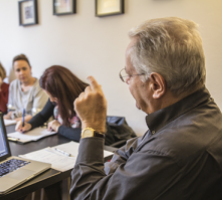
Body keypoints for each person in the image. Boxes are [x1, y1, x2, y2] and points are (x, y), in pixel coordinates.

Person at [70, 17, 222, 200]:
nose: (127, 81)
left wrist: (92, 128)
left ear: (156, 85)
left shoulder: (170, 150)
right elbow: (133, 147)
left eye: (129, 74)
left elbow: (85, 196)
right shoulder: (199, 115)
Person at [15, 65, 88, 141]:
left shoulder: (87, 97)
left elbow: (88, 134)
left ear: (64, 91)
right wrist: (29, 124)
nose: (51, 100)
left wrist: (58, 127)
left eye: (54, 96)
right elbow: (43, 116)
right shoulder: (55, 97)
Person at [3, 54, 48, 122]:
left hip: (35, 124)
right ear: (14, 72)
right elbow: (11, 111)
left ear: (30, 68)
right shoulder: (13, 85)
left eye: (24, 69)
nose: (21, 73)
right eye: (18, 70)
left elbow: (37, 115)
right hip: (17, 123)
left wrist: (14, 121)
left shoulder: (40, 86)